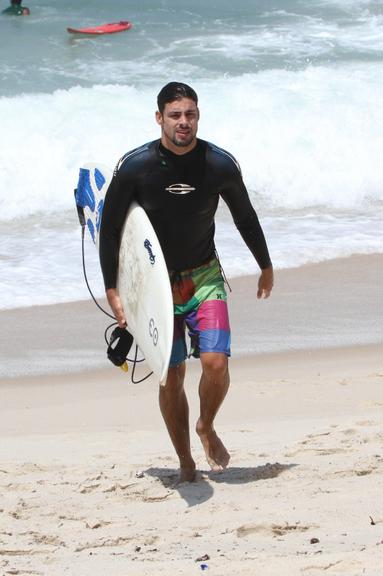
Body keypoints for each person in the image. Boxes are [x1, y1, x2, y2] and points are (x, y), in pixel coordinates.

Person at [99, 82, 274, 483]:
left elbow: (245, 216)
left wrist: (264, 264)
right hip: (154, 282)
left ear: (198, 116)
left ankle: (206, 426)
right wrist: (113, 289)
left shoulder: (218, 165)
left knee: (215, 362)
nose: (184, 122)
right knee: (171, 374)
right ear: (159, 117)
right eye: (175, 115)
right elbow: (111, 231)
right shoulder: (135, 167)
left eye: (190, 114)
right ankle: (185, 460)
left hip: (203, 274)